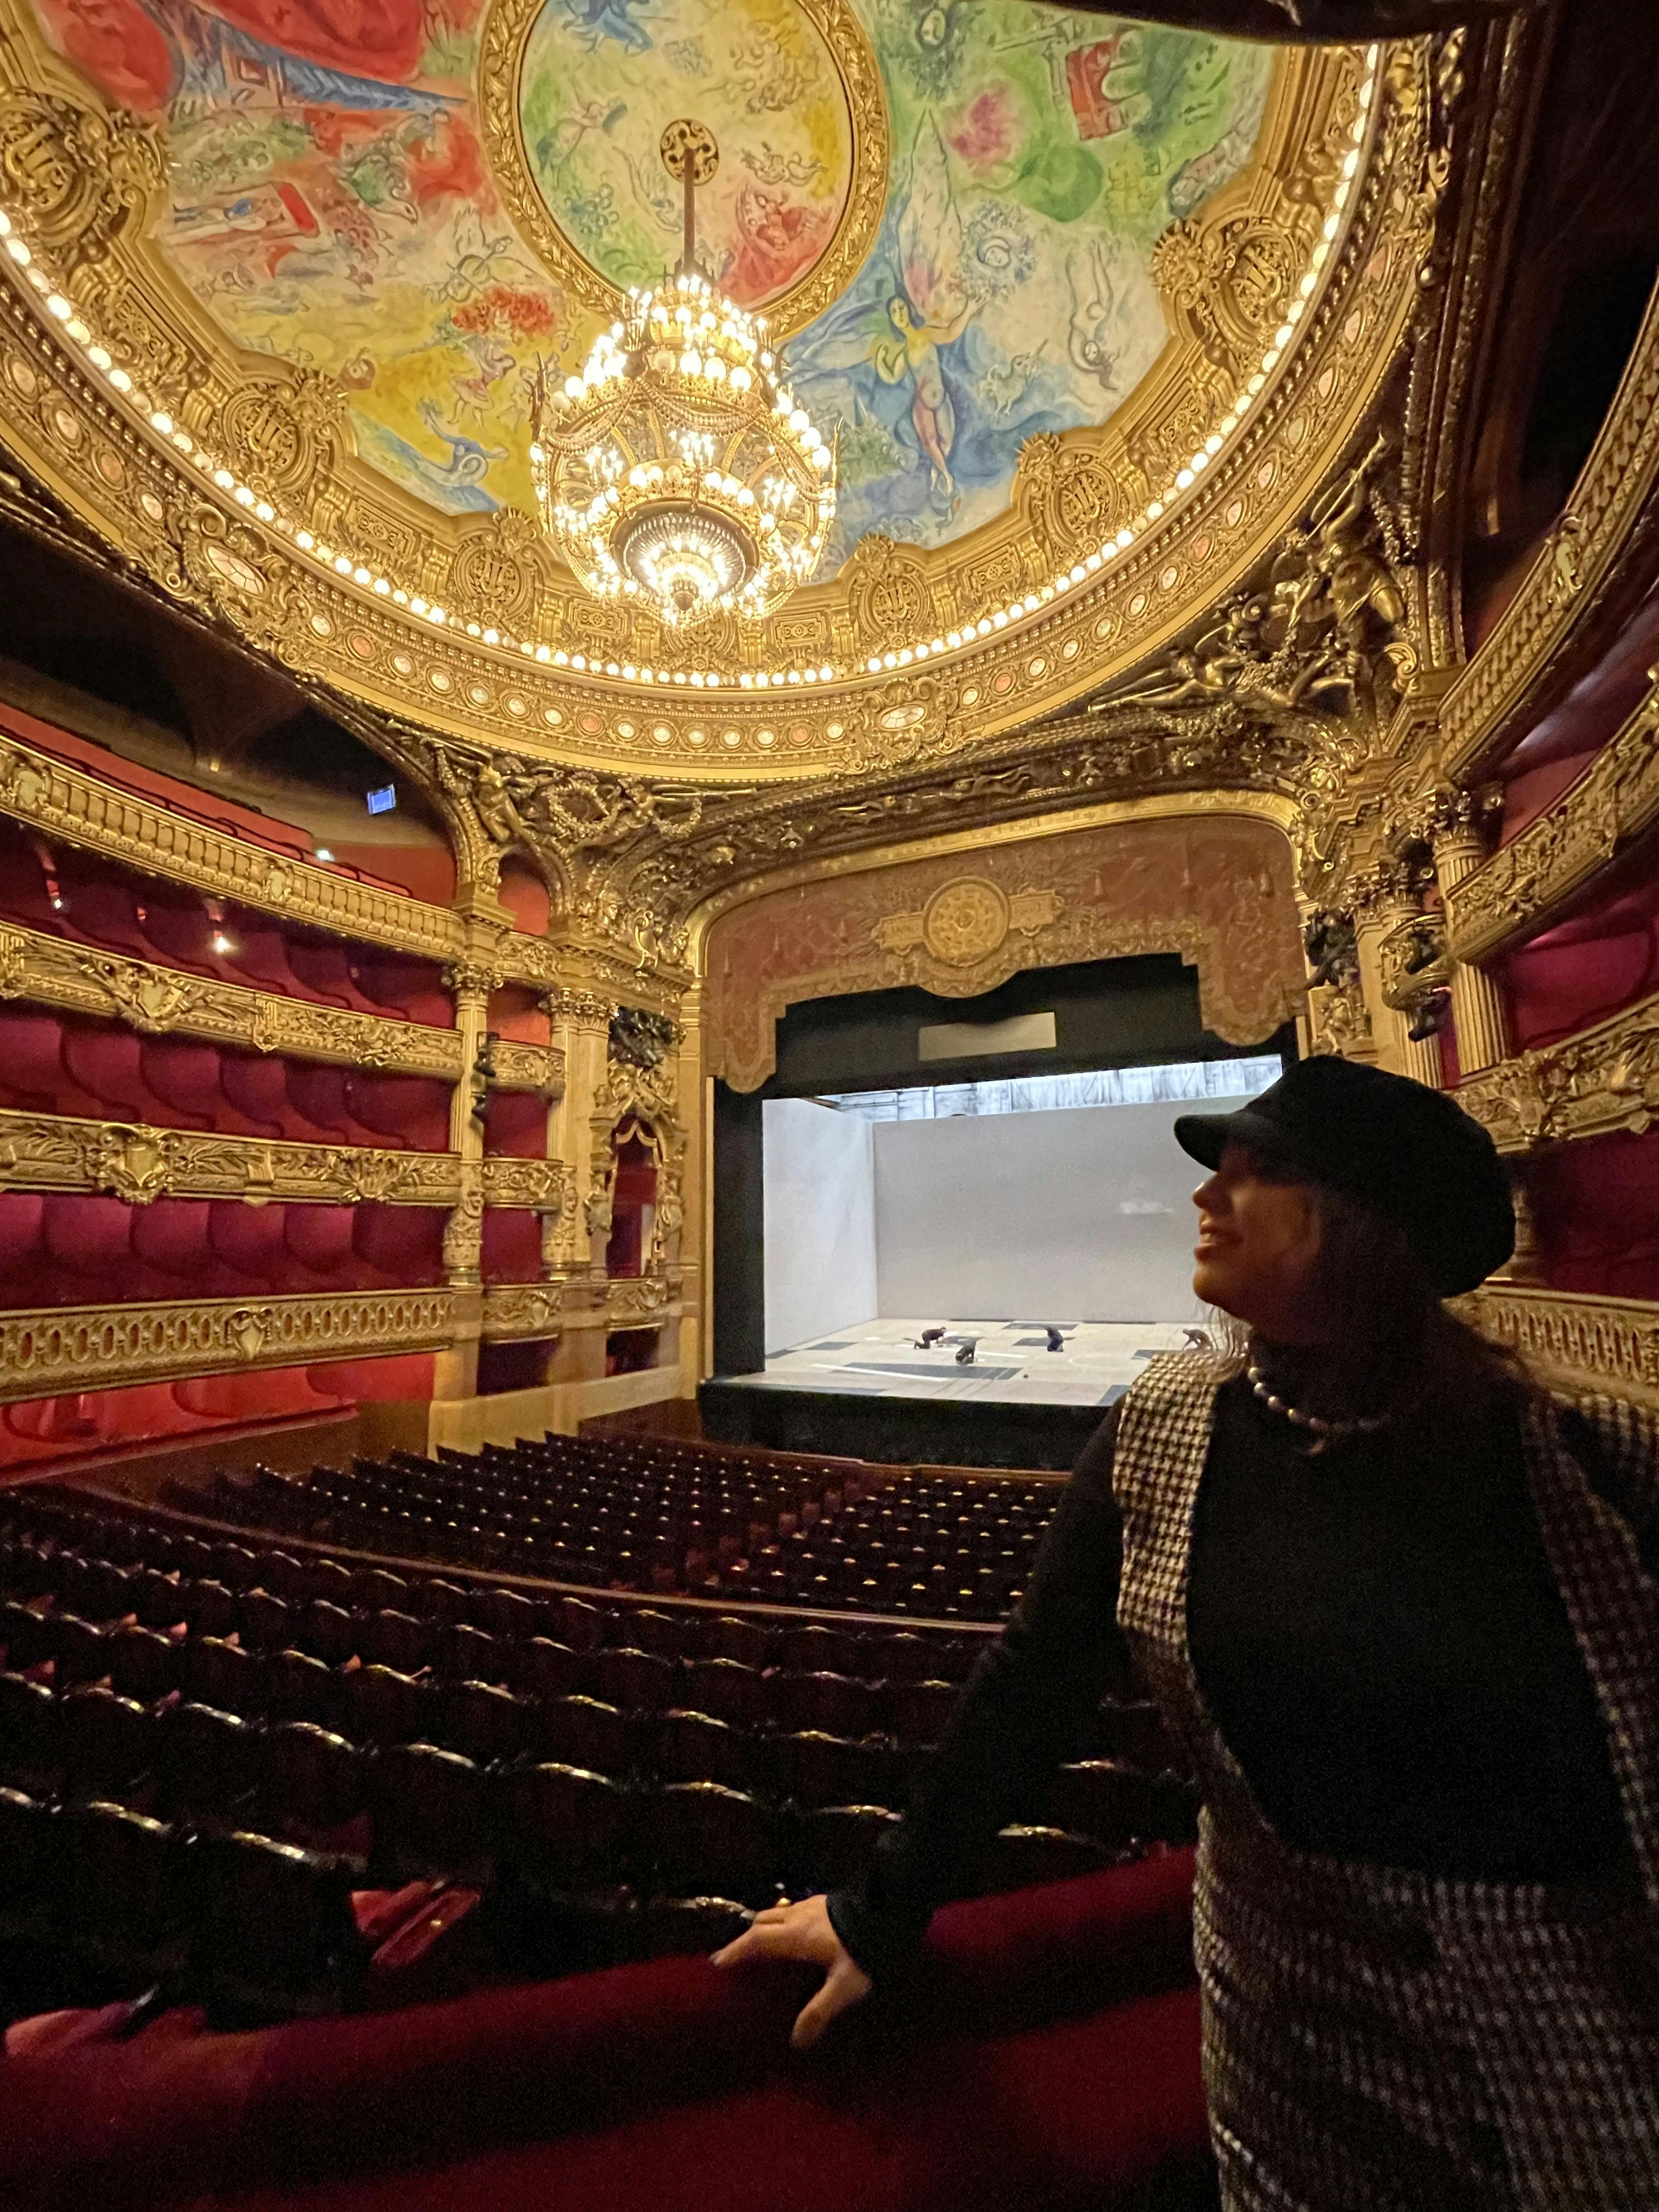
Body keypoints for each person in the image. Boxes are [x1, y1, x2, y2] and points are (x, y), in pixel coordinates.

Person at [714, 1056, 1659, 2210]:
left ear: (1366, 1219)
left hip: (1587, 2057)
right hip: (1286, 2059)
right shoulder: (1165, 1426)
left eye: (1257, 1173)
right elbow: (1034, 1678)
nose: (1206, 1198)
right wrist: (882, 1908)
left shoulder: (1593, 1459)